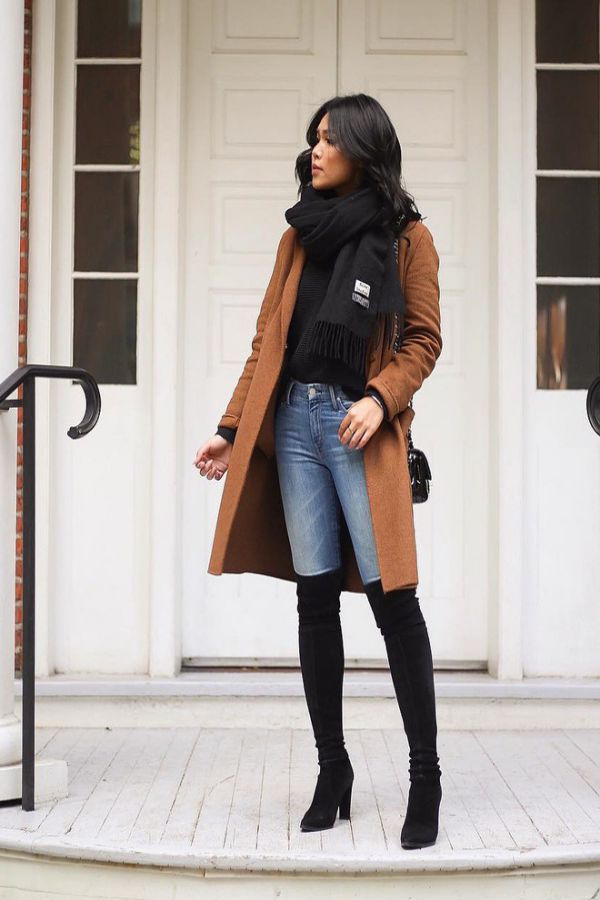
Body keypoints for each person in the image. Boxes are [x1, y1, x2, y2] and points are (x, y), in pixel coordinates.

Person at [194, 94, 442, 850]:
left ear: (364, 149)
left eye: (331, 139)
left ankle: (425, 777)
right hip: (296, 426)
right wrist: (231, 428)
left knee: (394, 603)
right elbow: (267, 340)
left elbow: (423, 341)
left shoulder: (407, 237)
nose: (316, 150)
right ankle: (333, 770)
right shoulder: (298, 235)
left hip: (358, 428)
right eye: (315, 138)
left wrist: (380, 397)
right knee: (314, 600)